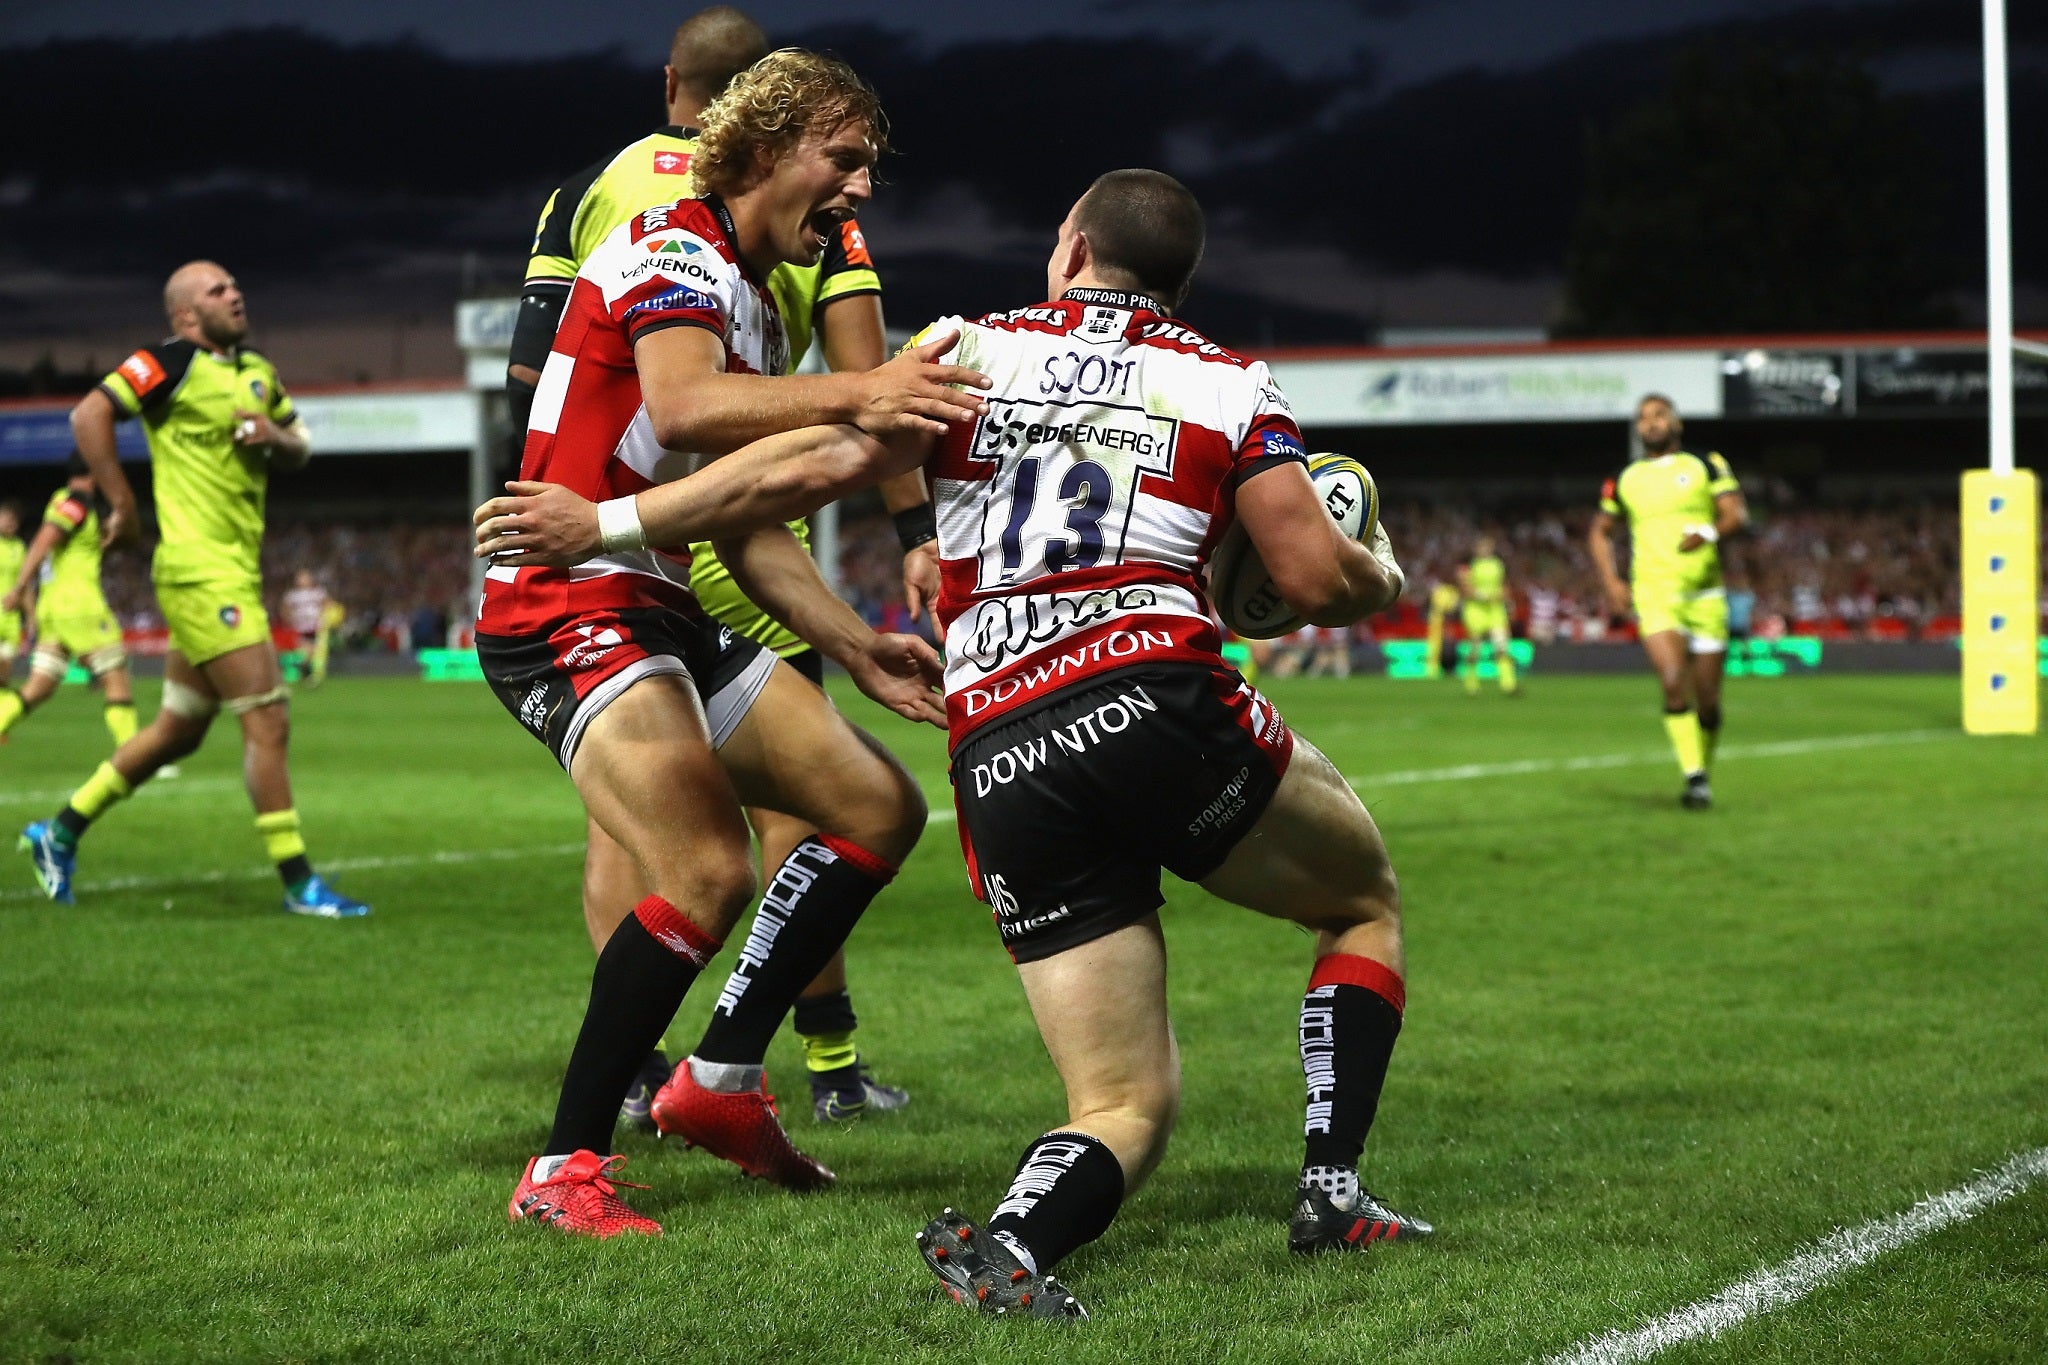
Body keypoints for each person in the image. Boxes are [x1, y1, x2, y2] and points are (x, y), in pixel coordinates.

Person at [469, 50, 993, 1236]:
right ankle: (563, 1168)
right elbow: (683, 409)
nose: (860, 189)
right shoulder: (671, 242)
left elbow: (744, 520)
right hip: (560, 601)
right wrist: (860, 393)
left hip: (651, 596)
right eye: (843, 158)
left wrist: (858, 646)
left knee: (873, 806)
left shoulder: (753, 294)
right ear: (762, 151)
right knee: (706, 869)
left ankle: (718, 1081)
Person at [897, 170, 1430, 1317]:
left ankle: (1014, 1246)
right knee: (1360, 903)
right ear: (1181, 283)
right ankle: (1330, 1192)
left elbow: (840, 452)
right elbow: (1301, 573)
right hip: (1149, 697)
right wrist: (1377, 572)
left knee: (1120, 1102)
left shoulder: (958, 346)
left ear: (1070, 247)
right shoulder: (1226, 379)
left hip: (995, 743)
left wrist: (907, 539)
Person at [19, 262, 369, 917]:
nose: (234, 293)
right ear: (185, 315)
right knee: (269, 717)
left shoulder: (258, 370)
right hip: (197, 569)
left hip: (234, 568)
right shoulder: (168, 362)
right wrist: (122, 502)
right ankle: (300, 884)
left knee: (178, 730)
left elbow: (301, 446)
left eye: (236, 285)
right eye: (217, 290)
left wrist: (275, 436)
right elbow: (88, 414)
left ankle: (57, 831)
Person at [1588, 394, 1749, 809]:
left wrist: (1709, 534)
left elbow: (1735, 514)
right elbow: (1599, 531)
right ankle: (1694, 778)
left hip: (1706, 594)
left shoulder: (1705, 463)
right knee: (1674, 680)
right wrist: (1611, 580)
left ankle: (1701, 769)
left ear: (1676, 422)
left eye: (1659, 415)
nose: (1651, 424)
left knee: (1709, 702)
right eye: (1643, 418)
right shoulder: (1625, 476)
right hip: (1654, 592)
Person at [0, 457, 139, 746]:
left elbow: (71, 546)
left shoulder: (65, 503)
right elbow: (42, 541)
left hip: (53, 607)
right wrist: (19, 587)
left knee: (38, 687)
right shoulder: (75, 504)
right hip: (79, 604)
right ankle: (135, 756)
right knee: (116, 677)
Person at [1456, 535, 1520, 695]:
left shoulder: (1498, 565)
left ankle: (1508, 684)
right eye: (1481, 547)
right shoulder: (1469, 566)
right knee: (1475, 648)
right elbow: (1465, 588)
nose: (1484, 550)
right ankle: (1471, 685)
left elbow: (1505, 587)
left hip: (1494, 609)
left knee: (1501, 646)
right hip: (1475, 610)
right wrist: (1483, 595)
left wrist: (1505, 599)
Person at [0, 503, 26, 691]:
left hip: (11, 616)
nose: (10, 523)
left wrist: (31, 614)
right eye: (5, 518)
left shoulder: (19, 547)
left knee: (5, 667)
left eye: (13, 520)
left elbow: (24, 584)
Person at [1423, 575, 1459, 678]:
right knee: (1435, 646)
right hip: (1437, 621)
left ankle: (1448, 668)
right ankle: (1432, 670)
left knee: (1446, 646)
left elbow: (1452, 609)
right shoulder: (1440, 590)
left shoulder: (1450, 591)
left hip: (1445, 621)